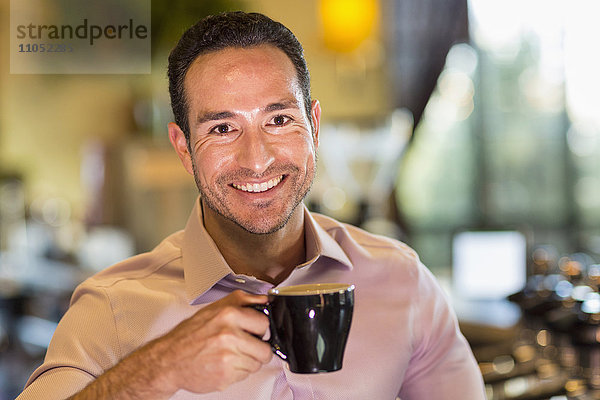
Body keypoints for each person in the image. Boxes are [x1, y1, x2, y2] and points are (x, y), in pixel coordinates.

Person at [17, 11, 486, 399]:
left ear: (314, 126)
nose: (257, 159)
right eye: (222, 129)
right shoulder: (113, 308)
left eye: (279, 119)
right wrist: (157, 370)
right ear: (183, 148)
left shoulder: (403, 281)